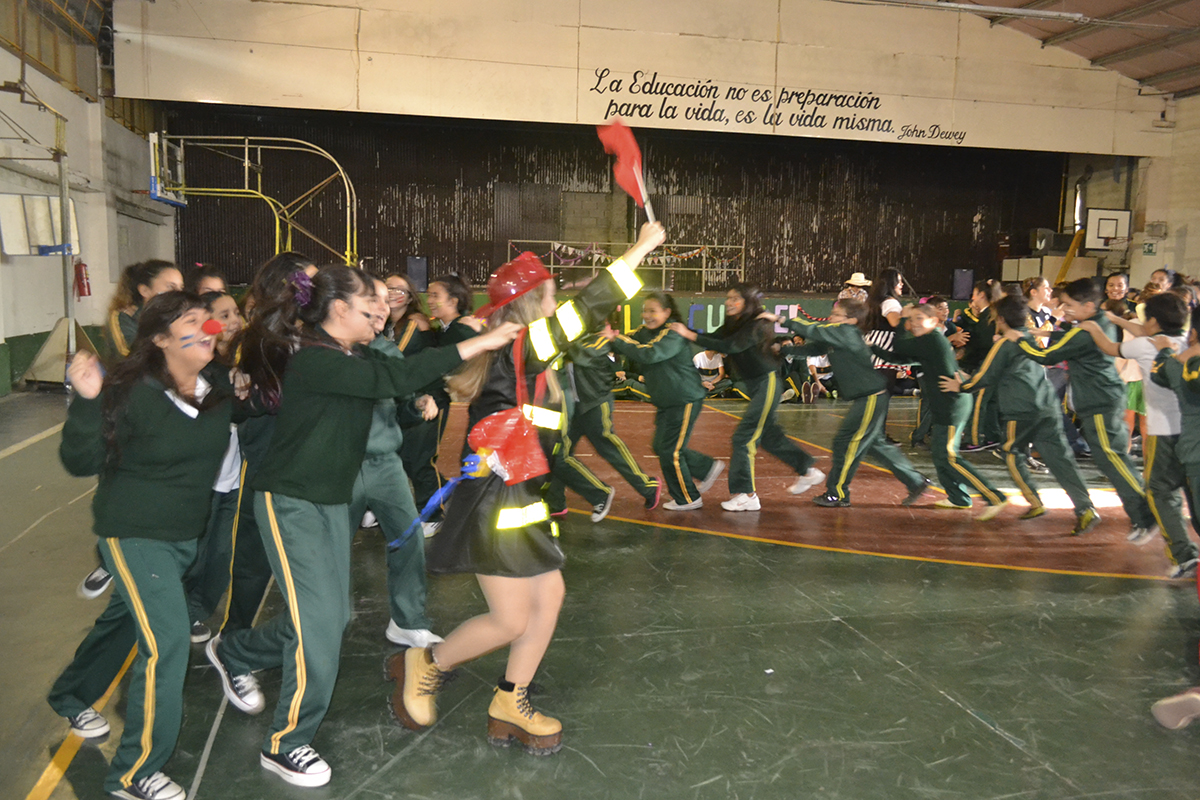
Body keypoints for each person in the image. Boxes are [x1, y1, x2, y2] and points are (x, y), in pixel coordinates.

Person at [205, 265, 518, 787]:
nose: (379, 309)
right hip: (290, 503)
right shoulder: (316, 359)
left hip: (328, 500)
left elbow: (402, 368)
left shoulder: (353, 351)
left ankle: (233, 650)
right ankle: (287, 742)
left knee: (330, 616)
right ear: (338, 309)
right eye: (368, 302)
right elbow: (392, 378)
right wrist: (480, 341)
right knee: (320, 626)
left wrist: (479, 338)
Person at [387, 223, 665, 757]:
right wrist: (642, 249)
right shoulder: (524, 342)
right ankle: (426, 663)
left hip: (524, 494)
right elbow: (594, 304)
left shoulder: (526, 354)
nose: (560, 301)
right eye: (553, 294)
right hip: (497, 495)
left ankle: (509, 700)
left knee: (549, 597)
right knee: (511, 617)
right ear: (534, 302)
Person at [50, 291, 234, 800]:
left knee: (125, 620)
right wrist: (89, 399)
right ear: (159, 339)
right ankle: (133, 774)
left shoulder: (215, 387)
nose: (209, 330)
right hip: (133, 533)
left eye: (210, 321)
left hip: (182, 537)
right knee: (168, 642)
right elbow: (80, 461)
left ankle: (68, 693)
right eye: (192, 322)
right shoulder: (132, 391)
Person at [1009, 277, 1157, 540]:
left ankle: (1145, 515)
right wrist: (1039, 333)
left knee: (1112, 458)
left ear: (1088, 305)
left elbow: (1046, 356)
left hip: (1099, 403)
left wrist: (1018, 338)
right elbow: (1067, 336)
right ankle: (1143, 514)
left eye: (1068, 304)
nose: (1062, 309)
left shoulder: (1084, 331)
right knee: (1109, 458)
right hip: (1104, 399)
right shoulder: (1099, 321)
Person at [940, 295, 1099, 535]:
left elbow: (986, 375)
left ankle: (1034, 502)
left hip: (1020, 408)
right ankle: (1086, 508)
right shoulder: (1029, 336)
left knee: (1011, 453)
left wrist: (960, 386)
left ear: (1001, 319)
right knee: (1060, 459)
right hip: (1047, 404)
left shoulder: (1006, 342)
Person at [80, 260, 188, 606]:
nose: (178, 292)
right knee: (118, 485)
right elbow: (133, 357)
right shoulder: (123, 320)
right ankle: (109, 559)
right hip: (122, 414)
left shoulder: (174, 320)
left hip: (160, 414)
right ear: (144, 290)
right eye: (169, 286)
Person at [671, 283, 824, 511]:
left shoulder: (758, 324)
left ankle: (747, 494)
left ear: (748, 301)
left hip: (767, 383)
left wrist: (689, 334)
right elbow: (715, 337)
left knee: (743, 438)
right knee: (768, 436)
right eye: (728, 298)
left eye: (735, 299)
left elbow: (729, 346)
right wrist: (686, 333)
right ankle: (808, 469)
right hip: (755, 385)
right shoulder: (736, 323)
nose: (729, 303)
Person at [351, 277, 444, 648]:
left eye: (385, 299)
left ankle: (407, 620)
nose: (381, 305)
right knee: (330, 548)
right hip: (340, 465)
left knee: (408, 538)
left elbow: (399, 405)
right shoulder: (322, 352)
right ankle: (314, 620)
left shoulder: (387, 351)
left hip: (384, 463)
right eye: (372, 298)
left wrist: (416, 404)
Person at [1076, 293, 1198, 574]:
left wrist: (1094, 326)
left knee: (1158, 490)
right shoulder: (1188, 344)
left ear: (1153, 321)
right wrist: (1117, 318)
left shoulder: (1145, 346)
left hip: (1163, 433)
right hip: (1192, 431)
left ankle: (1185, 555)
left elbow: (1109, 347)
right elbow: (1144, 331)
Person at [773, 298, 930, 508]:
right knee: (876, 445)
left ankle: (837, 493)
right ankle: (916, 481)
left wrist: (783, 320)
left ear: (852, 320)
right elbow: (814, 348)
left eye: (837, 315)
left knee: (846, 444)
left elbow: (816, 331)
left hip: (871, 398)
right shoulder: (839, 335)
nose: (831, 318)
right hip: (870, 397)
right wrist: (785, 351)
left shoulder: (846, 333)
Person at [872, 303, 1008, 517]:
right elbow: (899, 358)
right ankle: (958, 498)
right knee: (940, 454)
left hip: (952, 405)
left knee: (950, 457)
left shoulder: (931, 339)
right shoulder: (927, 343)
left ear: (934, 322)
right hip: (947, 403)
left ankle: (993, 496)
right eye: (912, 319)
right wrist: (872, 348)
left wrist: (901, 321)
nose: (913, 323)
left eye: (919, 319)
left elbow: (900, 346)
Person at [607, 292, 723, 510]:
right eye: (645, 310)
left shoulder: (673, 332)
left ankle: (688, 498)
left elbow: (650, 354)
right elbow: (630, 340)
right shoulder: (646, 331)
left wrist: (616, 339)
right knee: (661, 445)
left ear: (667, 312)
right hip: (667, 400)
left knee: (671, 451)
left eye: (653, 311)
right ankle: (705, 467)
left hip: (684, 398)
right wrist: (609, 337)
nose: (647, 315)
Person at [546, 316, 662, 516]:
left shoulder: (598, 336)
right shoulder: (571, 335)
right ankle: (555, 501)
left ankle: (648, 487)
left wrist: (563, 343)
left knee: (609, 449)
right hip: (573, 407)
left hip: (595, 404)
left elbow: (585, 352)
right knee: (560, 455)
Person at [180, 290, 245, 644]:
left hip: (232, 476)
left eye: (235, 312)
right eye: (223, 314)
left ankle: (197, 608)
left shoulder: (244, 358)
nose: (233, 321)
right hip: (204, 478)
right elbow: (232, 409)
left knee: (221, 553)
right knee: (195, 549)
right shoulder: (204, 368)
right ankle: (179, 609)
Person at [401, 273, 480, 535]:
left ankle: (434, 515)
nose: (430, 300)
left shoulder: (463, 329)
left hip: (440, 401)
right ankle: (448, 501)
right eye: (429, 295)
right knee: (413, 458)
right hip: (428, 399)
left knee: (423, 459)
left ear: (454, 300)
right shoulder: (444, 329)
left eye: (436, 295)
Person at [103, 261, 185, 360]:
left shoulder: (184, 317)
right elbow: (129, 354)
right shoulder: (125, 317)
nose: (179, 294)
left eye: (181, 288)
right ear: (144, 290)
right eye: (171, 287)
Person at [956, 279, 1004, 451]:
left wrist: (967, 357)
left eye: (975, 294)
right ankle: (993, 436)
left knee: (978, 403)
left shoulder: (988, 317)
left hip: (985, 365)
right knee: (990, 403)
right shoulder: (992, 314)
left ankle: (973, 439)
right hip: (995, 365)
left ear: (982, 295)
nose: (973, 297)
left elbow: (982, 343)